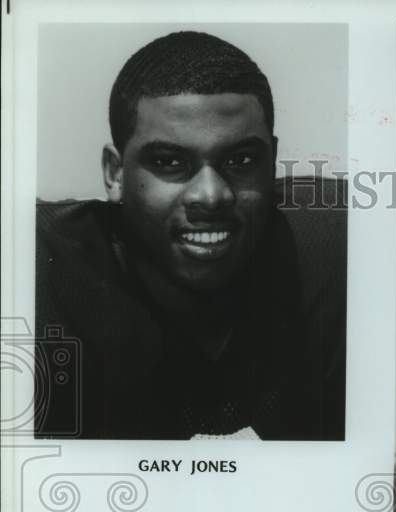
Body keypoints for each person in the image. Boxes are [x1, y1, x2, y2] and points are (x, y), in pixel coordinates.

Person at [35, 31, 346, 440]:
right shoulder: (38, 267)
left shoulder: (337, 244)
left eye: (240, 160)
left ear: (272, 163)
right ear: (115, 174)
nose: (210, 195)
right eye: (169, 162)